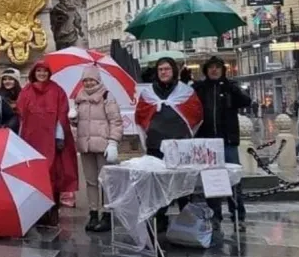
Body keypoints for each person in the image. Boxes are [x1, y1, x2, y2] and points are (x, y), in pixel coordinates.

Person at [135, 57, 204, 232]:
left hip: (180, 145)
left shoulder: (185, 92)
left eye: (167, 69)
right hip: (156, 146)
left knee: (182, 185)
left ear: (174, 71)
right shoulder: (149, 93)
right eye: (160, 70)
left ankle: (187, 218)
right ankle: (160, 217)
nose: (164, 72)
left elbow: (196, 114)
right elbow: (140, 115)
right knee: (158, 186)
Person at [16, 60, 78, 227]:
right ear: (34, 73)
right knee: (34, 176)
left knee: (53, 175)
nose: (42, 74)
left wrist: (59, 136)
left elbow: (62, 115)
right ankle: (36, 211)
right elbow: (21, 116)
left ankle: (52, 211)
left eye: (45, 71)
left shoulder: (57, 90)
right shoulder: (26, 91)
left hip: (51, 140)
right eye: (39, 71)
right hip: (31, 139)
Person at [194, 56, 252, 232]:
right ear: (206, 70)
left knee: (234, 179)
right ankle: (215, 215)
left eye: (217, 67)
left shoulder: (229, 87)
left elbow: (246, 102)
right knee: (212, 180)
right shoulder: (200, 88)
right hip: (208, 142)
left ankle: (237, 215)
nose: (214, 70)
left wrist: (233, 89)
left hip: (227, 140)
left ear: (222, 70)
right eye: (211, 67)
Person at [72, 66, 122, 233]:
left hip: (103, 146)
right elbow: (79, 124)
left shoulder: (107, 96)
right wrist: (73, 119)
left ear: (97, 80)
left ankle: (107, 214)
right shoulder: (79, 98)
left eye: (91, 79)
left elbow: (116, 121)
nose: (88, 83)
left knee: (106, 181)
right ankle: (93, 213)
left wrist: (113, 142)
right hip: (86, 146)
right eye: (85, 80)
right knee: (91, 181)